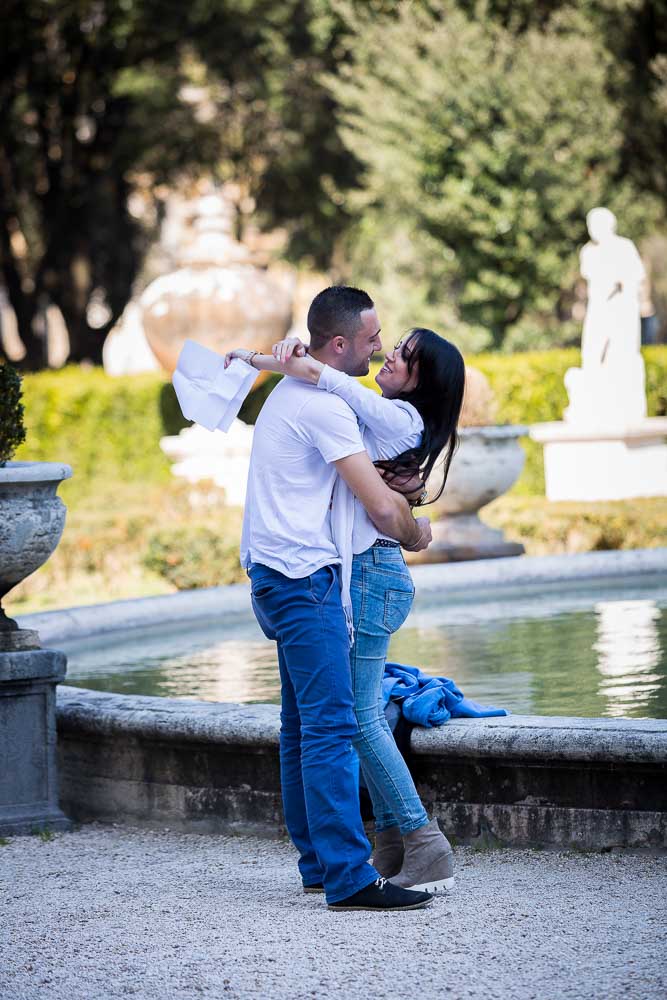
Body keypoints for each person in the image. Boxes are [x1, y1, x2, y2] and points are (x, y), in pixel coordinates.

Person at [227, 302, 465, 895]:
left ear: (422, 380)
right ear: (341, 340)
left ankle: (416, 842)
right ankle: (383, 846)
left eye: (402, 352)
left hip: (368, 571)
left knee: (346, 718)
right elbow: (326, 380)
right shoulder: (354, 409)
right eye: (383, 341)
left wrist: (416, 531)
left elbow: (335, 385)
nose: (387, 351)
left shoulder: (396, 421)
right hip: (338, 573)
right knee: (332, 721)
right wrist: (279, 356)